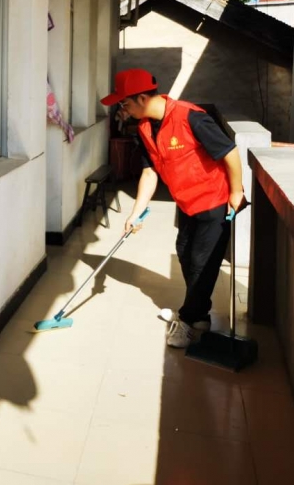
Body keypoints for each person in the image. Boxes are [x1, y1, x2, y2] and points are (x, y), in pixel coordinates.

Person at [100, 69, 245, 349]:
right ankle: (199, 316)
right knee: (186, 254)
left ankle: (188, 320)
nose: (123, 110)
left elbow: (229, 151)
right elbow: (149, 173)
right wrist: (135, 213)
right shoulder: (144, 129)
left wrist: (236, 192)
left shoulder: (190, 117)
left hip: (214, 201)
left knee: (202, 263)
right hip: (187, 203)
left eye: (124, 103)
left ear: (142, 98)